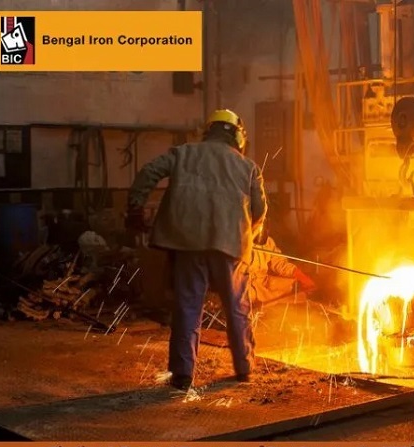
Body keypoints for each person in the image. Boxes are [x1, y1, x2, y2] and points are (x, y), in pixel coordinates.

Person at [126, 109, 267, 390]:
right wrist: (249, 235)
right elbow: (259, 209)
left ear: (208, 131)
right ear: (238, 135)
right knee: (236, 308)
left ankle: (182, 374)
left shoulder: (183, 153)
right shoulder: (248, 167)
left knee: (188, 307)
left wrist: (135, 207)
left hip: (187, 243)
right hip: (230, 245)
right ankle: (244, 368)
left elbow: (148, 172)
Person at [248, 228, 316, 306]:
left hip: (264, 281)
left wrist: (300, 276)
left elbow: (279, 263)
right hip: (247, 286)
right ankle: (269, 300)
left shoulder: (267, 241)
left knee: (295, 286)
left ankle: (273, 299)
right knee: (249, 295)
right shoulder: (239, 242)